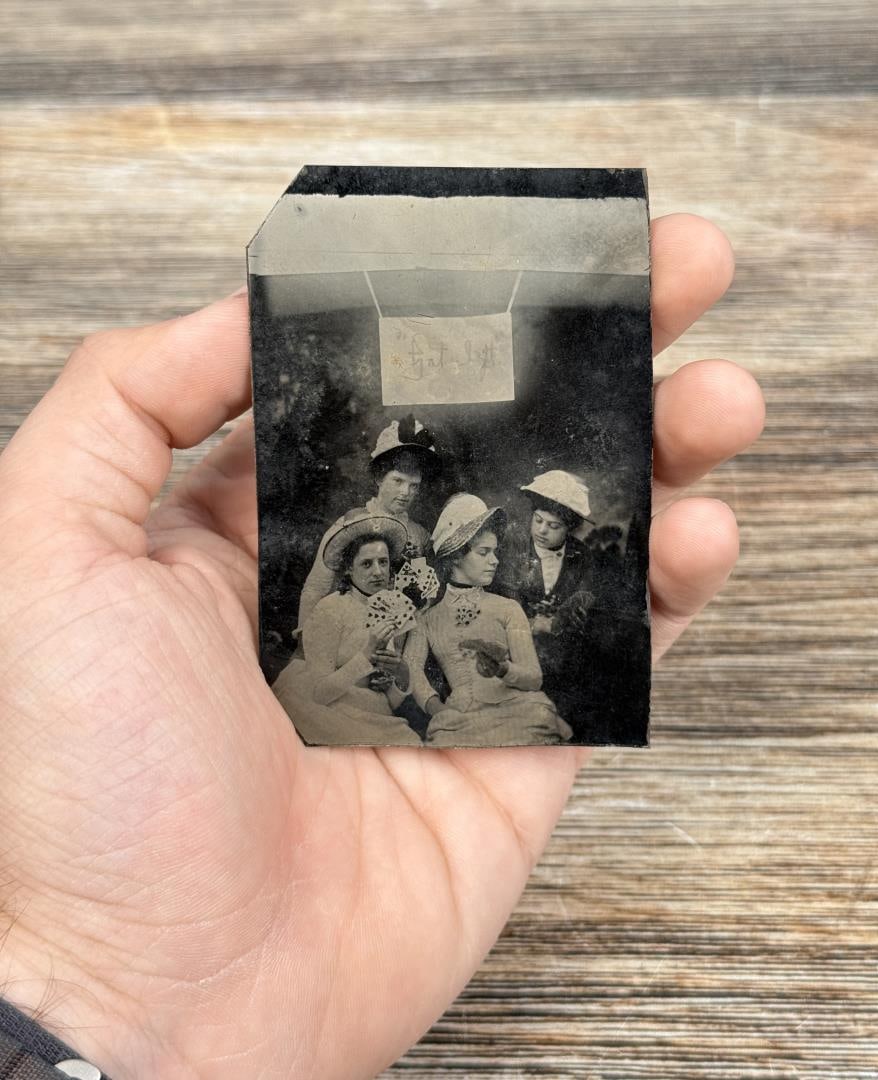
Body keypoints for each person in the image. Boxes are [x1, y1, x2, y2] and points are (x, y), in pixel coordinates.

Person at [0, 214, 764, 1079]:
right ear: (378, 480)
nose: (404, 485)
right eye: (395, 474)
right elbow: (345, 620)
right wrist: (94, 979)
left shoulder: (452, 567)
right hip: (338, 694)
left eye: (415, 477)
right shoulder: (354, 542)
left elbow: (437, 635)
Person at [404, 494, 573, 747]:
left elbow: (534, 678)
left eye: (495, 552)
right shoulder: (428, 617)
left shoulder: (507, 608)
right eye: (484, 552)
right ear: (456, 556)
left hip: (519, 711)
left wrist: (503, 669)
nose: (494, 560)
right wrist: (437, 709)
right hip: (460, 717)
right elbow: (411, 669)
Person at [273, 509, 423, 746]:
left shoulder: (396, 609)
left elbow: (388, 703)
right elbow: (319, 694)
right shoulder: (330, 610)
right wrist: (366, 656)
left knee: (411, 743)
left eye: (383, 562)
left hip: (371, 711)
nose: (378, 571)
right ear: (348, 569)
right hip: (326, 706)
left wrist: (401, 675)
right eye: (366, 564)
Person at [296, 415, 440, 631]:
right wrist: (304, 639)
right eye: (398, 481)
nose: (405, 493)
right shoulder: (351, 523)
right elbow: (316, 587)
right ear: (379, 478)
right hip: (347, 631)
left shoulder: (419, 536)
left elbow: (427, 595)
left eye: (414, 486)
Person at [496, 470, 602, 732]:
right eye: (538, 520)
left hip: (565, 653)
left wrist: (567, 616)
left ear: (568, 529)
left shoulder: (582, 555)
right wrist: (534, 623)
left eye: (553, 526)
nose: (542, 530)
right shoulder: (513, 547)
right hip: (520, 645)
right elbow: (507, 600)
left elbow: (585, 597)